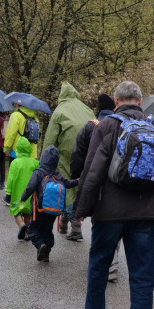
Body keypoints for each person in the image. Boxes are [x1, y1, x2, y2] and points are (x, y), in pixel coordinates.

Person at [72, 81, 154, 309]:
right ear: (141, 101)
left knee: (99, 264)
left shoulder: (107, 126)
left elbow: (92, 170)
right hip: (147, 212)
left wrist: (80, 211)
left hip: (109, 212)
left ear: (116, 101)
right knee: (143, 279)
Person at [42, 82, 94, 241]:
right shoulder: (87, 109)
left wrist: (44, 160)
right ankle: (65, 222)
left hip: (66, 153)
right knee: (79, 184)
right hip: (87, 151)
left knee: (66, 185)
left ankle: (75, 224)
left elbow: (50, 139)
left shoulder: (60, 111)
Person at [19, 145, 78, 262]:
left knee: (33, 229)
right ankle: (46, 253)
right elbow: (67, 183)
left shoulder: (38, 173)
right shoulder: (57, 175)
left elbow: (31, 186)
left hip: (38, 209)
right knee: (47, 230)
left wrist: (23, 197)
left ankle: (40, 245)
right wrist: (77, 181)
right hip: (53, 210)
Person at [70, 92, 115, 244]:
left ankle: (76, 226)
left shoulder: (90, 125)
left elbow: (77, 153)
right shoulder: (120, 124)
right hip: (112, 176)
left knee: (85, 201)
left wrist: (76, 174)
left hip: (89, 172)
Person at [4, 137, 39, 237]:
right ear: (29, 149)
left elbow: (11, 179)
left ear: (17, 149)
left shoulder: (15, 163)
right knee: (27, 212)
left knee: (16, 210)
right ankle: (27, 231)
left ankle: (21, 224)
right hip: (30, 194)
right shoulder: (35, 163)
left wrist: (8, 192)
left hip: (17, 194)